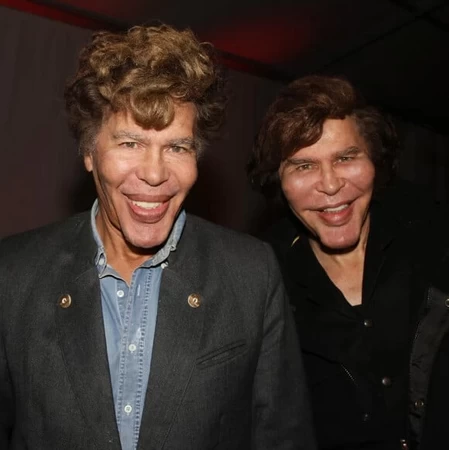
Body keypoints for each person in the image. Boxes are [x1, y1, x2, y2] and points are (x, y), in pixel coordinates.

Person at [0, 25, 316, 450]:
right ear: (89, 152)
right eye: (130, 143)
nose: (154, 174)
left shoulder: (251, 274)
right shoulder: (13, 276)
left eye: (177, 148)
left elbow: (284, 438)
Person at [248, 74, 448, 450]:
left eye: (345, 157)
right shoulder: (260, 283)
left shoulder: (433, 241)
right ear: (279, 181)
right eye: (303, 166)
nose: (330, 184)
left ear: (374, 161)